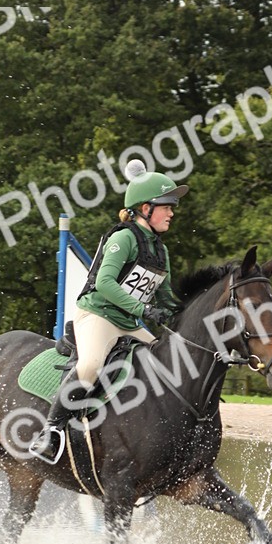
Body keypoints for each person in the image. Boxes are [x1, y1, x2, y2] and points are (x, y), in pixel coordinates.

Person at [32, 158, 186, 462]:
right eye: (166, 205)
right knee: (90, 366)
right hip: (98, 317)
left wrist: (183, 312)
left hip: (128, 321)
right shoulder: (124, 238)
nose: (172, 212)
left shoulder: (160, 249)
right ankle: (51, 430)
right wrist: (144, 309)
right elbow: (104, 283)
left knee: (166, 362)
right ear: (145, 209)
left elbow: (165, 294)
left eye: (171, 206)